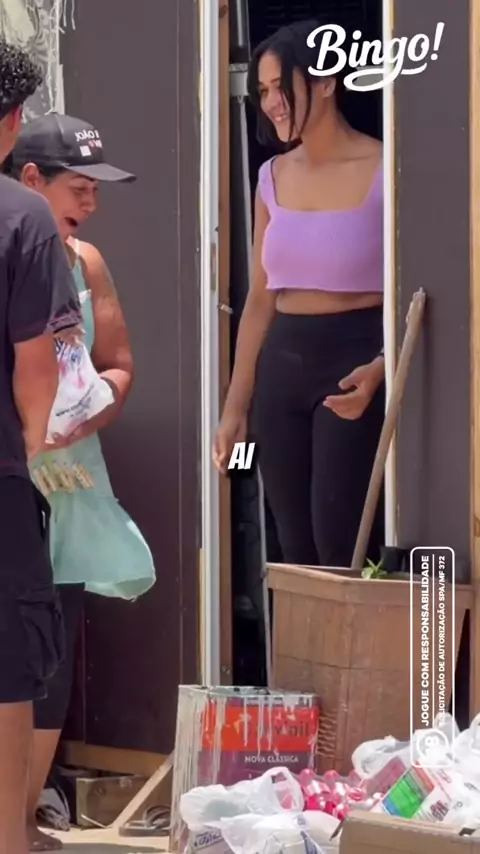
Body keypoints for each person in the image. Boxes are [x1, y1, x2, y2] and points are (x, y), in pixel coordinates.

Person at [4, 112, 156, 851]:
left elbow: (118, 365)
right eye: (79, 187)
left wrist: (91, 408)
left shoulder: (85, 262)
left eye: (98, 189)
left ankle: (22, 818)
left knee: (48, 648)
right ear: (31, 179)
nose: (91, 203)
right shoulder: (15, 243)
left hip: (67, 481)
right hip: (14, 472)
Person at [213, 20, 385, 567]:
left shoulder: (387, 167)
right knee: (294, 549)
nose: (270, 103)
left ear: (326, 81)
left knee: (341, 543)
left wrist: (384, 366)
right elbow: (260, 299)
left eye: (280, 86)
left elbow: (424, 286)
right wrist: (235, 408)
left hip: (356, 361)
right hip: (281, 367)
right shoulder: (270, 175)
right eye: (262, 91)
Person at [0, 41, 82, 854]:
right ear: (12, 123)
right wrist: (30, 456)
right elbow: (39, 373)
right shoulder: (22, 217)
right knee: (6, 668)